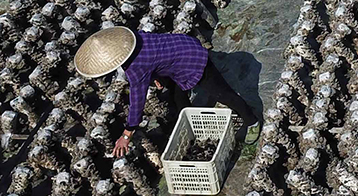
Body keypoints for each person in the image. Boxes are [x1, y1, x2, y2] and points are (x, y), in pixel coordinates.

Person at [73, 27, 260, 157]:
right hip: (180, 46)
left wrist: (127, 133)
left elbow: (137, 101)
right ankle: (193, 126)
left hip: (191, 58)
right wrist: (155, 74)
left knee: (222, 94)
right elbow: (155, 53)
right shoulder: (134, 38)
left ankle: (252, 121)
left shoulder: (136, 67)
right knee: (177, 96)